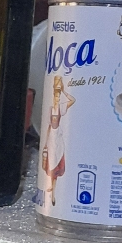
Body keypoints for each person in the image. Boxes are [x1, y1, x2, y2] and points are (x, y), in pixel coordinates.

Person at [42, 76, 75, 207]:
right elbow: (48, 127)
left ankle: (54, 193)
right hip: (51, 138)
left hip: (58, 138)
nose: (57, 99)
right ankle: (51, 188)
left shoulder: (61, 108)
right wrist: (45, 143)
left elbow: (73, 100)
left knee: (56, 163)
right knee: (51, 163)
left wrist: (64, 91)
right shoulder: (50, 109)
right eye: (56, 97)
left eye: (58, 97)